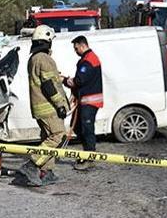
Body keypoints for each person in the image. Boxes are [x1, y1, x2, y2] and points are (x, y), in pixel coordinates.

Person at [17, 25, 69, 186]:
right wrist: (60, 104)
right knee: (58, 135)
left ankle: (47, 172)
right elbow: (48, 84)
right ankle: (32, 165)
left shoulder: (34, 58)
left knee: (47, 138)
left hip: (39, 107)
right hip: (49, 107)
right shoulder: (44, 59)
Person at [63, 35, 103, 171]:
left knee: (87, 129)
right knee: (78, 128)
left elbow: (80, 80)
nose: (75, 51)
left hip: (89, 101)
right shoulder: (87, 59)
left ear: (82, 45)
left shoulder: (89, 60)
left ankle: (90, 157)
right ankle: (86, 153)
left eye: (76, 48)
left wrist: (66, 81)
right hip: (85, 100)